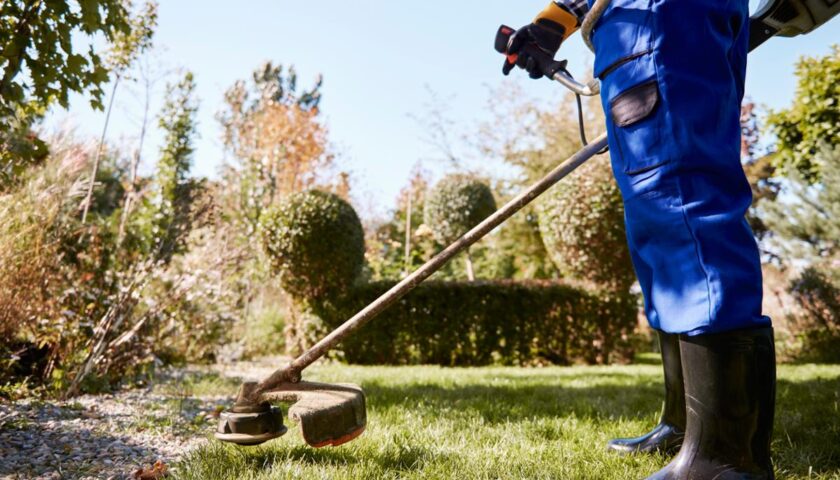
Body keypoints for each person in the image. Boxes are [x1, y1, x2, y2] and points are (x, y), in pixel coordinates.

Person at [502, 1, 776, 478]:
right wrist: (553, 24)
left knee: (679, 200)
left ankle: (724, 456)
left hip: (657, 16)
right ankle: (686, 424)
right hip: (644, 22)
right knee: (656, 222)